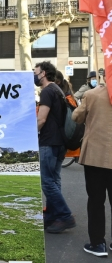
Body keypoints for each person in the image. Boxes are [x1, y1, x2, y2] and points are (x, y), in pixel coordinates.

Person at [34, 61, 76, 234]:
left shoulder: (47, 91)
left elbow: (42, 119)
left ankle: (65, 216)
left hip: (49, 141)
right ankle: (52, 216)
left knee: (47, 182)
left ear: (43, 73)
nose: (34, 75)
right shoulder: (58, 90)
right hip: (60, 143)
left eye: (35, 72)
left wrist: (30, 134)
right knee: (55, 180)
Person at [71, 82, 112, 257]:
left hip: (96, 154)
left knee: (96, 200)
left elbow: (76, 117)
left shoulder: (93, 94)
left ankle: (98, 243)